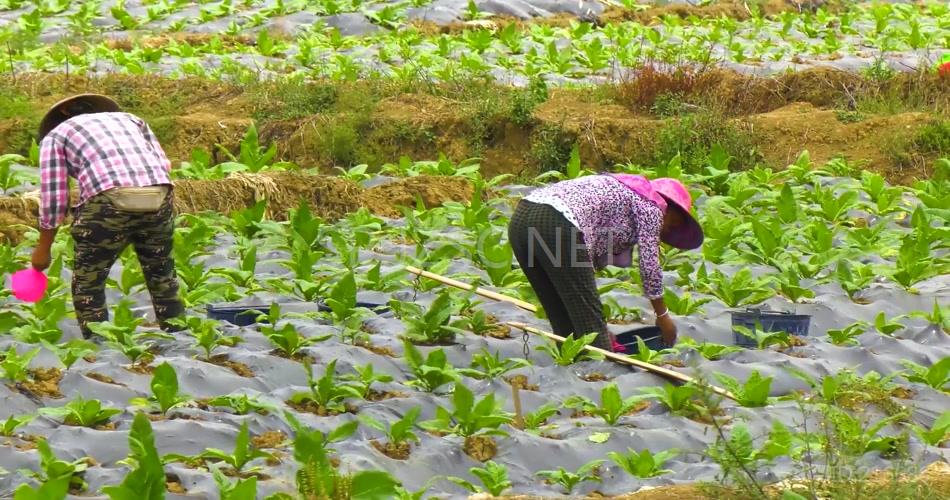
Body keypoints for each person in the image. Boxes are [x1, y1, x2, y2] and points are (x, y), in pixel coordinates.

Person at [30, 94, 184, 338]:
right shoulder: (132, 119)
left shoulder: (56, 135)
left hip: (109, 198)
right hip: (158, 193)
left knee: (88, 281)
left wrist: (43, 248)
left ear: (61, 117)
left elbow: (55, 196)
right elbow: (164, 164)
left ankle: (99, 346)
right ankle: (179, 336)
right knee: (162, 272)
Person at [507, 173, 704, 351]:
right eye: (673, 223)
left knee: (563, 322)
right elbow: (649, 266)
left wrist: (596, 323)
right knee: (595, 339)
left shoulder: (625, 191)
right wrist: (663, 317)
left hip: (522, 218)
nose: (667, 230)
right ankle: (598, 379)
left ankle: (576, 373)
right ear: (669, 208)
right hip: (557, 221)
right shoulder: (653, 205)